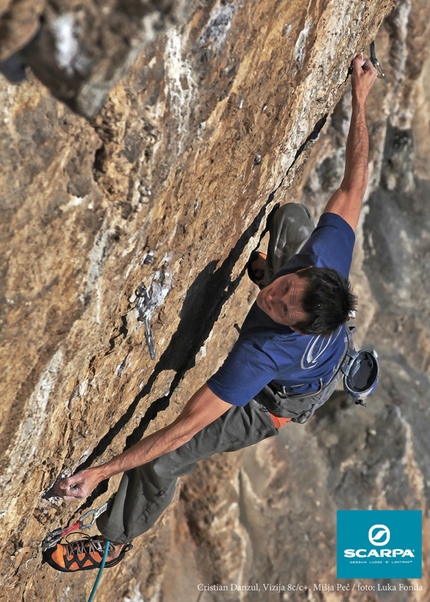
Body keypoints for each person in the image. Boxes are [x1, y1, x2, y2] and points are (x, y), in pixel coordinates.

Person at [45, 55, 377, 572]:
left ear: (293, 327)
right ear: (312, 271)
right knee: (292, 218)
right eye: (285, 286)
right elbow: (355, 184)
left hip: (274, 403)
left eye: (284, 309)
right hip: (320, 351)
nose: (274, 300)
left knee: (162, 460)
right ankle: (278, 267)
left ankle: (116, 540)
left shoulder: (261, 353)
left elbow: (182, 429)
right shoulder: (327, 253)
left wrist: (101, 471)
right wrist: (360, 97)